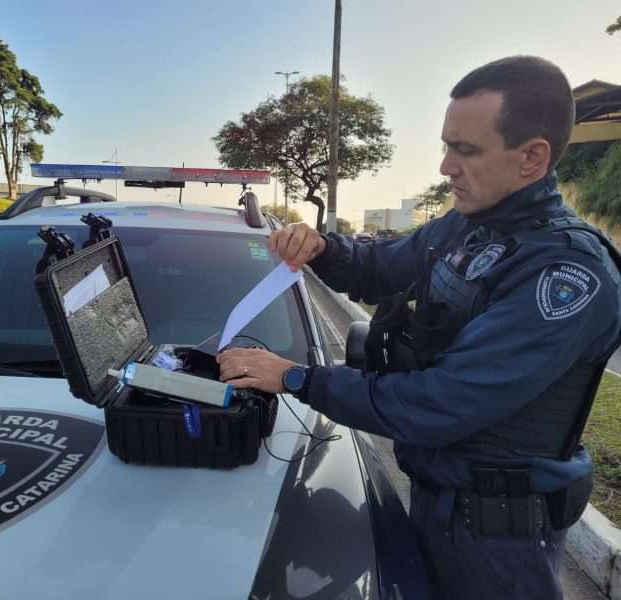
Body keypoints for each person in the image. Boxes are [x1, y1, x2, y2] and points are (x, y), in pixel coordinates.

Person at [217, 56, 621, 600]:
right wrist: (319, 246)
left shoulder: (566, 273)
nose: (445, 167)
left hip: (501, 538)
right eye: (447, 145)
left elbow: (441, 403)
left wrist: (297, 379)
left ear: (532, 157)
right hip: (440, 501)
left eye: (466, 150)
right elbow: (377, 268)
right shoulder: (469, 225)